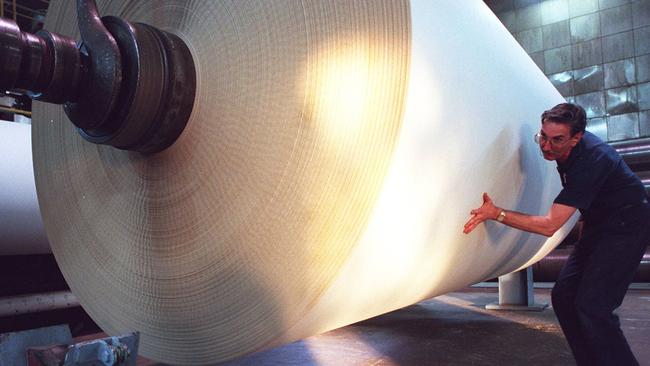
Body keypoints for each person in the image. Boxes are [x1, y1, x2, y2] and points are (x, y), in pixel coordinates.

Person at [463, 103, 650, 366]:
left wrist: (497, 213)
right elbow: (590, 199)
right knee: (563, 297)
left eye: (557, 140)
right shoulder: (564, 153)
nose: (547, 147)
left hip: (626, 226)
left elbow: (550, 225)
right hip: (600, 223)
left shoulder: (593, 160)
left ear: (577, 138)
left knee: (594, 307)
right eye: (544, 137)